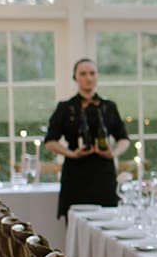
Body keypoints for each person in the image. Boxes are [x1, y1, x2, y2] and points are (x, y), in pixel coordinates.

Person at [45, 57, 130, 218]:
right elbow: (50, 141)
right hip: (76, 173)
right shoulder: (65, 107)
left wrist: (113, 153)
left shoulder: (109, 107)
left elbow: (123, 138)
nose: (88, 78)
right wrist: (71, 154)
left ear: (97, 76)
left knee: (108, 220)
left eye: (92, 73)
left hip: (103, 173)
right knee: (76, 221)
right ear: (75, 78)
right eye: (83, 74)